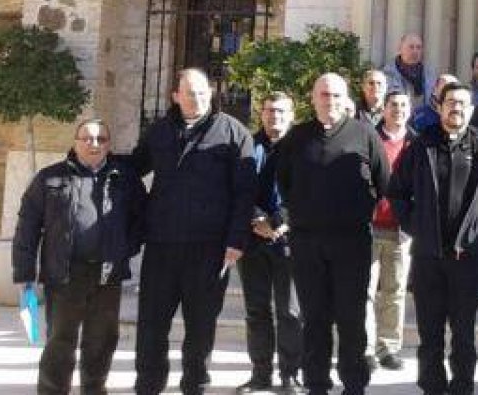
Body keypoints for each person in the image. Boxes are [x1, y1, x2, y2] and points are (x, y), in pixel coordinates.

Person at [132, 68, 256, 395]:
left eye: (202, 92)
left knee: (201, 326)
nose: (198, 99)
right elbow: (132, 170)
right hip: (162, 244)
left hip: (210, 248)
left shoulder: (234, 133)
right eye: (190, 93)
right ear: (175, 96)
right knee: (151, 323)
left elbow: (245, 193)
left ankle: (195, 384)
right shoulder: (159, 131)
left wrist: (236, 240)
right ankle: (148, 385)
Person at [267, 73, 391, 395]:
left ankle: (354, 384)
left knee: (351, 318)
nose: (330, 101)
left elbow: (383, 183)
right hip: (307, 243)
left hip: (352, 243)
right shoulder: (296, 138)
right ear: (312, 99)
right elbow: (282, 182)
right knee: (314, 319)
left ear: (345, 98)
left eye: (336, 95)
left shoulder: (365, 135)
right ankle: (317, 384)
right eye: (324, 95)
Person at [389, 82, 478, 395]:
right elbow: (397, 192)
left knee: (463, 331)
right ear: (440, 107)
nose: (456, 108)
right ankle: (432, 385)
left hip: (468, 257)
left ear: (471, 109)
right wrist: (415, 226)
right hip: (428, 255)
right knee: (429, 330)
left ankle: (462, 386)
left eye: (462, 104)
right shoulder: (421, 146)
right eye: (451, 103)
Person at [13, 118, 146, 395]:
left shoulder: (126, 179)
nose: (93, 144)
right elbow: (27, 226)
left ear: (108, 145)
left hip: (107, 275)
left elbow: (141, 219)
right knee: (60, 342)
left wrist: (124, 248)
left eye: (100, 139)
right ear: (75, 143)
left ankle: (94, 390)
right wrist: (24, 272)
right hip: (64, 275)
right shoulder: (49, 178)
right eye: (87, 138)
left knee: (101, 341)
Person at [237, 92, 303, 393]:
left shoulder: (303, 148)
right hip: (253, 241)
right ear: (261, 114)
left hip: (290, 240)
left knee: (290, 312)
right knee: (256, 311)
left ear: (291, 115)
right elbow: (237, 189)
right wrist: (257, 220)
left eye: (280, 111)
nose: (274, 116)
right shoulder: (247, 146)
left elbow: (307, 191)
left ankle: (290, 375)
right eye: (269, 110)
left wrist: (277, 222)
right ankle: (260, 375)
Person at [367, 91, 416, 371]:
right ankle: (365, 348)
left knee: (394, 290)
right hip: (370, 226)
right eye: (393, 105)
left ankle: (388, 347)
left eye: (403, 105)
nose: (398, 109)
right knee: (366, 290)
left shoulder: (417, 143)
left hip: (401, 229)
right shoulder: (369, 138)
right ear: (383, 109)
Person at [384, 32, 438, 108]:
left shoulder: (430, 73)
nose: (415, 51)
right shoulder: (387, 73)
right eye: (411, 47)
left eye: (418, 47)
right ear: (400, 49)